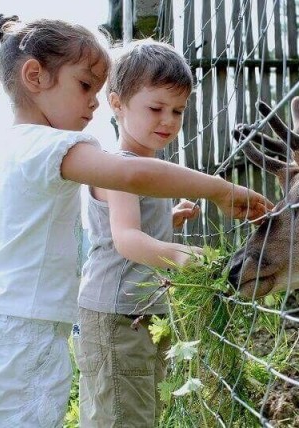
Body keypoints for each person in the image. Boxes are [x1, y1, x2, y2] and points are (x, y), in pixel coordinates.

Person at [0, 15, 272, 428]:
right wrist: (221, 190)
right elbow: (131, 173)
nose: (94, 102)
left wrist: (11, 301)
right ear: (35, 76)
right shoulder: (51, 145)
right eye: (85, 85)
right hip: (25, 335)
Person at [74, 39, 202, 427]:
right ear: (117, 104)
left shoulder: (144, 166)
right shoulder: (118, 167)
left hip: (140, 311)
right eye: (156, 108)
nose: (169, 120)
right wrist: (178, 254)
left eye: (178, 110)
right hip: (116, 315)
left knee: (137, 410)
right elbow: (126, 239)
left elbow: (136, 224)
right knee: (122, 417)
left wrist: (170, 219)